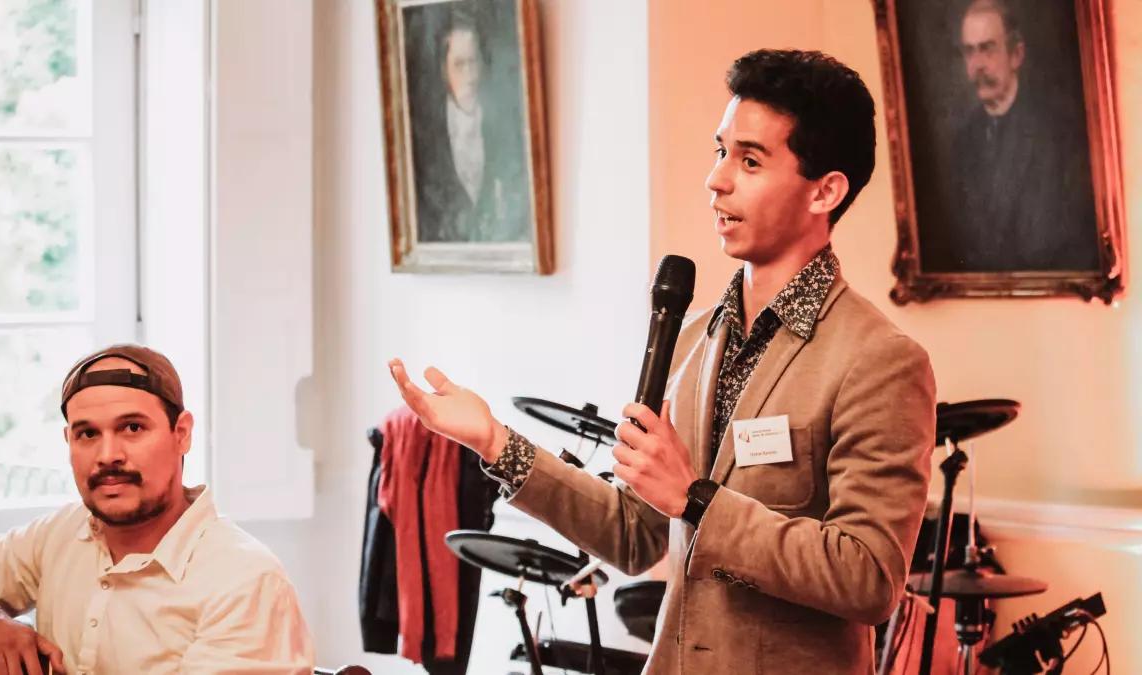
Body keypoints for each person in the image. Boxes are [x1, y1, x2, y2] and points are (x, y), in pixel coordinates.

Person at [389, 49, 937, 673]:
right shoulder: (693, 337)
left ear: (825, 191)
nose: (717, 179)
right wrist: (494, 441)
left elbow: (867, 577)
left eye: (750, 160)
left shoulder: (881, 361)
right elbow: (636, 532)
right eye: (720, 150)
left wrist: (698, 500)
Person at [0, 345, 315, 674]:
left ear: (181, 433)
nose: (108, 456)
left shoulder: (245, 580)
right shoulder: (60, 534)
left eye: (133, 428)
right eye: (87, 434)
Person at [928, 0, 1099, 272]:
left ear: (1016, 54)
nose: (978, 64)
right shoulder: (962, 143)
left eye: (987, 49)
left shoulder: (1057, 134)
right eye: (969, 52)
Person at [411, 5, 530, 244]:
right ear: (444, 70)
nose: (470, 76)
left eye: (473, 62)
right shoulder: (425, 137)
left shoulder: (505, 126)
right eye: (459, 64)